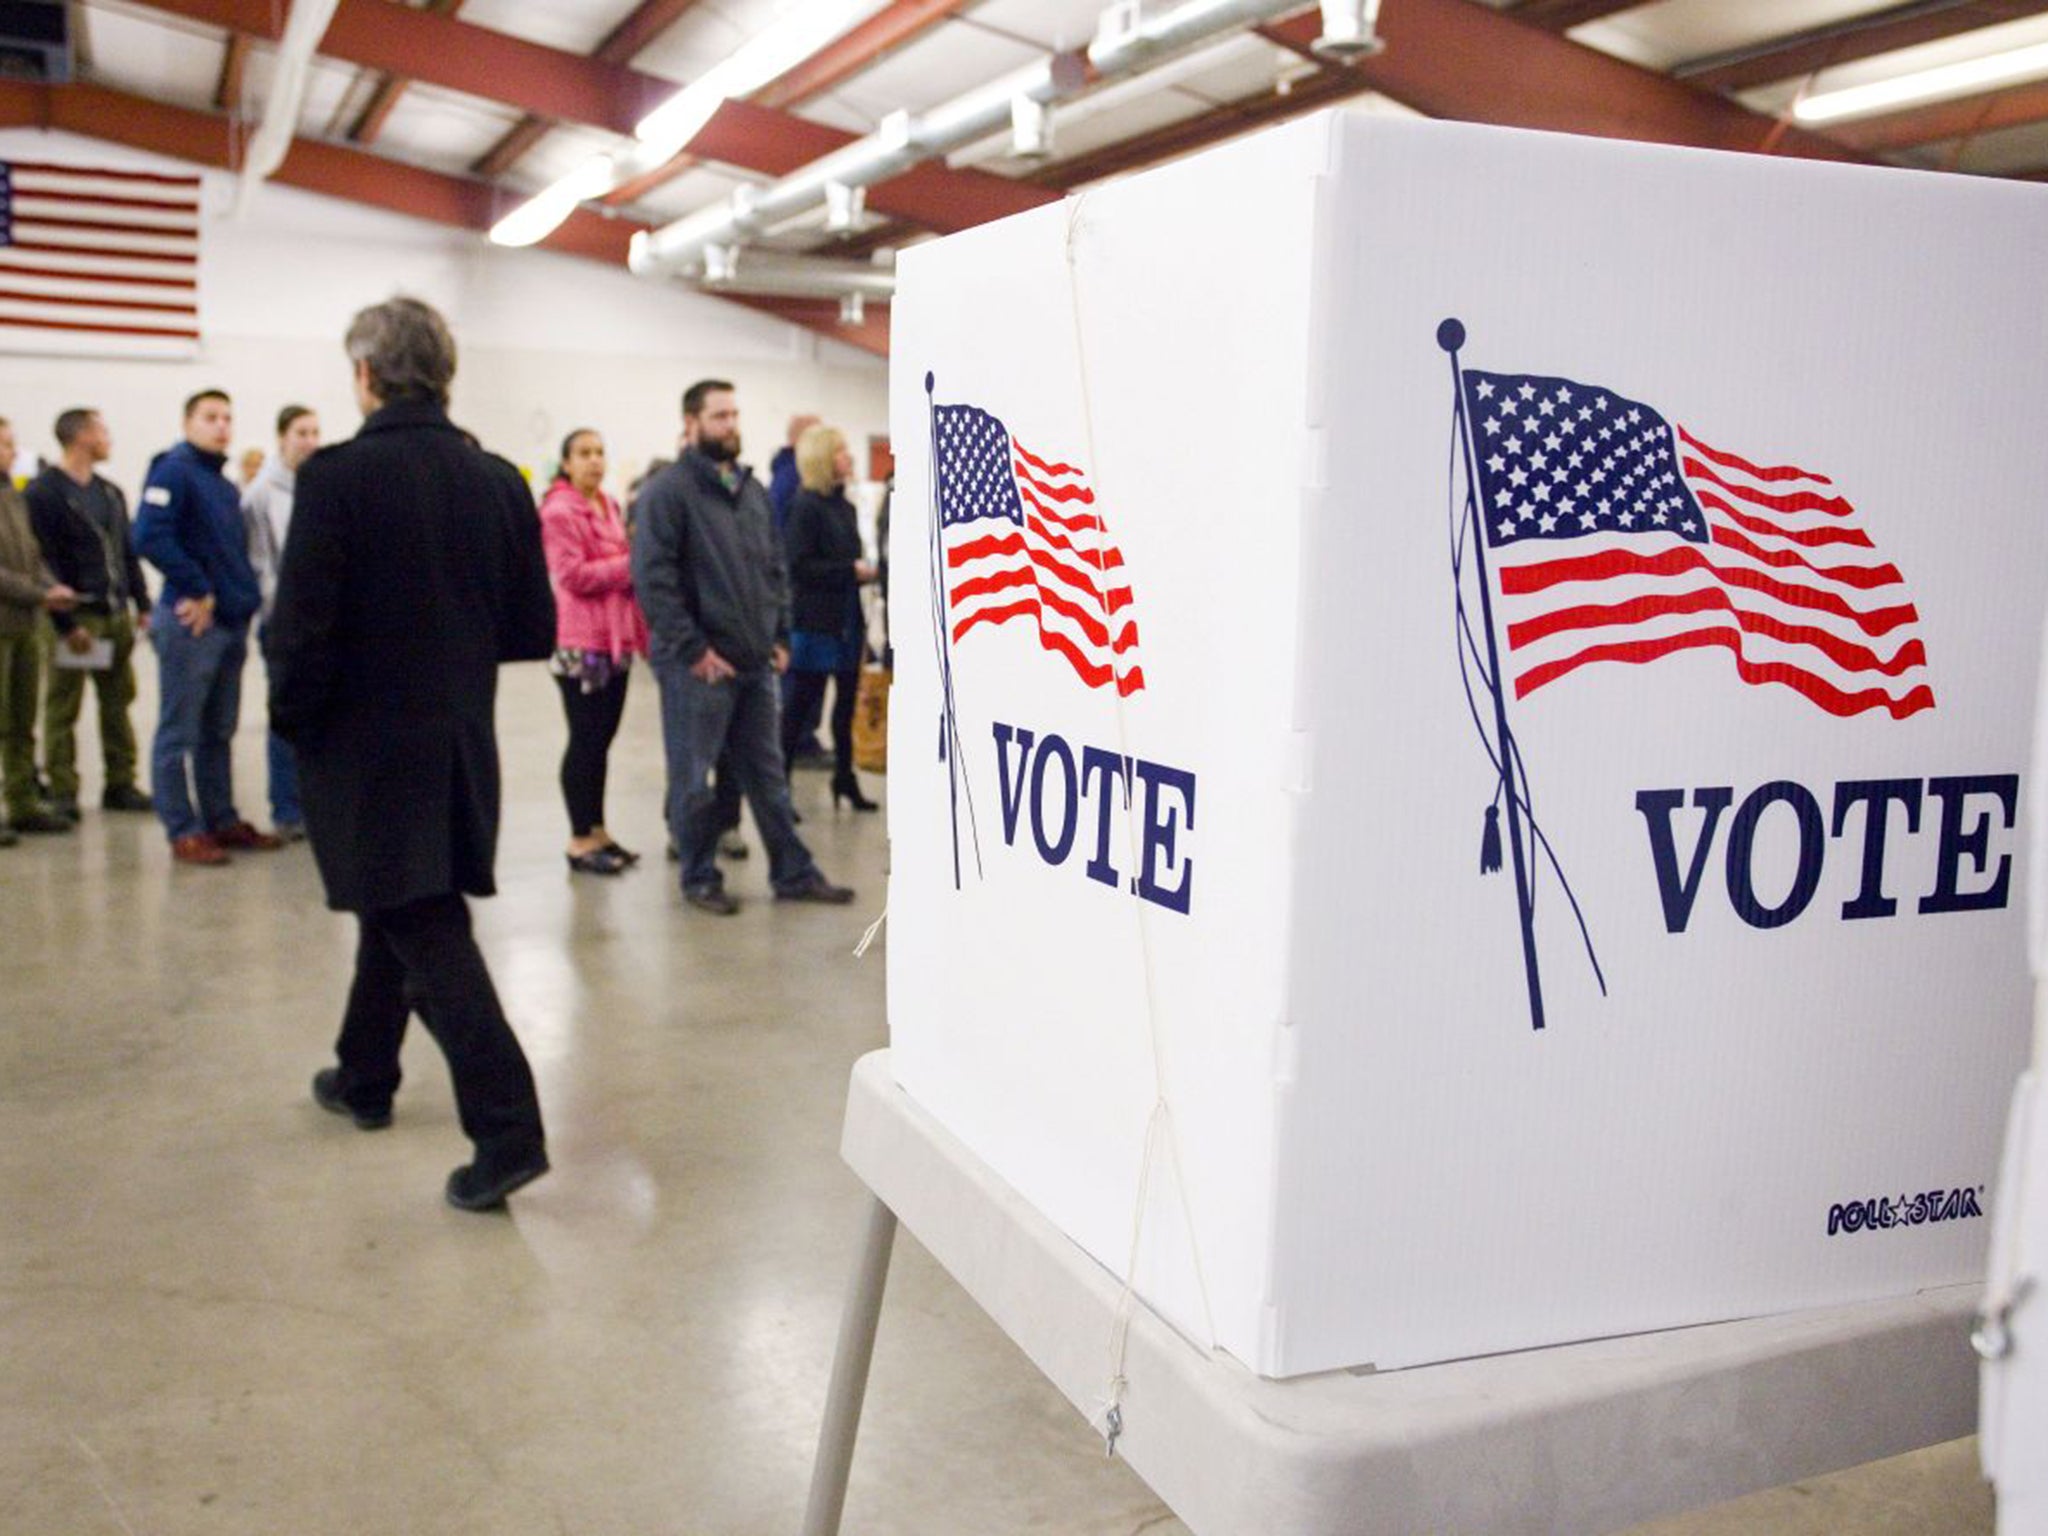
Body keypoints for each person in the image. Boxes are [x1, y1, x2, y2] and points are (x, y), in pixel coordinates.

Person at [269, 297, 556, 1213]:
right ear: (447, 371)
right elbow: (530, 628)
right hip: (460, 739)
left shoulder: (335, 478)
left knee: (423, 923)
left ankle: (509, 1132)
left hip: (363, 747)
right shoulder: (498, 478)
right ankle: (364, 1075)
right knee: (398, 906)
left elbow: (301, 632)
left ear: (363, 376)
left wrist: (292, 721)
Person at [631, 379, 854, 915]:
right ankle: (699, 876)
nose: (730, 426)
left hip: (755, 661)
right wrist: (692, 650)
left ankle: (793, 872)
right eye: (718, 416)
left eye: (734, 415)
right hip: (698, 667)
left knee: (770, 778)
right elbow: (652, 579)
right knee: (695, 780)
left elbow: (775, 569)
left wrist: (779, 635)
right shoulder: (668, 493)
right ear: (691, 423)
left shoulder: (751, 491)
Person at [133, 389, 280, 866]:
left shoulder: (222, 483)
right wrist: (197, 588)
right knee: (179, 730)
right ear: (187, 422)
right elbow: (149, 535)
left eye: (227, 418)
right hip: (193, 625)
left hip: (230, 624)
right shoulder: (174, 469)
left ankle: (220, 818)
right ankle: (183, 828)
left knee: (218, 730)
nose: (221, 426)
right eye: (210, 417)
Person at [25, 407, 153, 821]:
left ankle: (121, 781)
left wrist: (142, 603)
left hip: (114, 614)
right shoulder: (44, 493)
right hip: (76, 617)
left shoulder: (111, 493)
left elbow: (126, 553)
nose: (109, 439)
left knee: (118, 701)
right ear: (82, 436)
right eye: (103, 431)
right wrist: (66, 624)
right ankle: (64, 789)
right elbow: (43, 560)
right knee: (64, 705)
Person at [540, 427, 648, 875]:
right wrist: (631, 564)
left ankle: (598, 829)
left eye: (600, 452)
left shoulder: (609, 504)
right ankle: (578, 839)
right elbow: (572, 575)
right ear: (566, 463)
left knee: (602, 742)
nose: (594, 461)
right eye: (584, 453)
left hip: (615, 641)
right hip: (579, 644)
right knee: (584, 741)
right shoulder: (558, 510)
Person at [780, 424, 877, 812]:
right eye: (840, 451)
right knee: (799, 708)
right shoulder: (805, 507)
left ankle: (844, 777)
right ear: (823, 458)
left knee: (846, 706)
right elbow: (799, 567)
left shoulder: (846, 507)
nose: (849, 457)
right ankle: (780, 789)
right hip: (815, 623)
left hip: (846, 620)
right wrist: (849, 571)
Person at [243, 404, 321, 841]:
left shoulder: (320, 487)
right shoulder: (260, 494)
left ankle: (315, 802)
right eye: (301, 433)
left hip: (320, 623)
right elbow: (260, 564)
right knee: (285, 715)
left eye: (314, 432)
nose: (309, 441)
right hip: (282, 622)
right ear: (282, 437)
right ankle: (287, 808)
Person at [0, 416, 79, 841]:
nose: (12, 452)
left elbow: (32, 554)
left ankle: (22, 802)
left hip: (24, 626)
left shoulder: (13, 496)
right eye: (5, 445)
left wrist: (51, 586)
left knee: (20, 721)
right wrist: (38, 594)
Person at [770, 413, 827, 765]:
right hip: (799, 592)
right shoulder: (793, 481)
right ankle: (799, 740)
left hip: (798, 590)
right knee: (799, 674)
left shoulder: (791, 478)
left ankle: (802, 737)